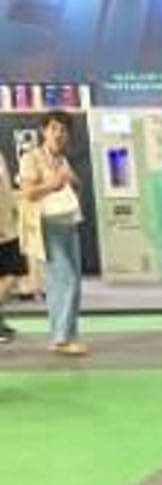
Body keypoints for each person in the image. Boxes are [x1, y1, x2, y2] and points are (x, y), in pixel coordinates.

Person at [17, 112, 88, 357]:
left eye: (64, 130)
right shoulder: (31, 158)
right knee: (66, 280)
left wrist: (74, 183)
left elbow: (72, 188)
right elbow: (27, 192)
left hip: (68, 224)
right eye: (54, 128)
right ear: (43, 131)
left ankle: (65, 336)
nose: (59, 134)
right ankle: (61, 339)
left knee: (67, 283)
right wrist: (53, 184)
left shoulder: (62, 160)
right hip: (45, 227)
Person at [0, 153, 25, 343]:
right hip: (2, 228)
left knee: (8, 273)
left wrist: (13, 210)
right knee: (15, 270)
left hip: (7, 224)